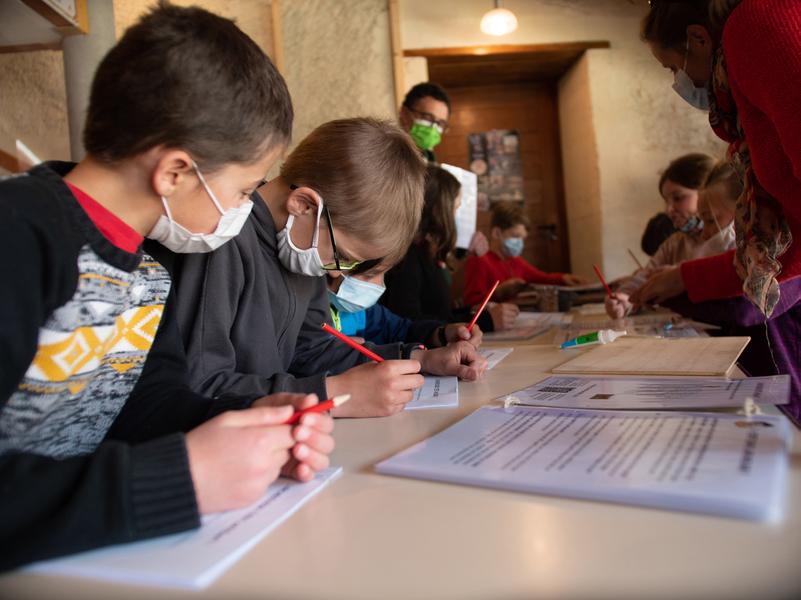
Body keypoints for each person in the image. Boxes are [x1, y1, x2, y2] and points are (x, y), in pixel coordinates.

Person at [0, 6, 334, 570]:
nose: (241, 210)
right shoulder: (20, 238)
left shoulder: (149, 264)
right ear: (175, 172)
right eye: (242, 190)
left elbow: (145, 403)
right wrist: (182, 479)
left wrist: (244, 421)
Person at [157, 118, 487, 420]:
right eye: (343, 256)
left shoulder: (301, 249)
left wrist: (418, 358)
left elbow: (313, 348)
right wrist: (330, 395)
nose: (336, 271)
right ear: (304, 205)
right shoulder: (220, 241)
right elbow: (202, 385)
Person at [637, 0, 801, 426]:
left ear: (698, 38)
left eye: (672, 68)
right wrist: (680, 278)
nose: (680, 81)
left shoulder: (756, 24)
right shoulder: (740, 115)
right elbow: (775, 256)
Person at [382, 165, 519, 331]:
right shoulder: (409, 257)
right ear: (439, 211)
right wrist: (484, 321)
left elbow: (440, 313)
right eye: (456, 208)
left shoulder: (429, 253)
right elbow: (408, 323)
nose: (458, 217)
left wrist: (475, 312)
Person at [607, 160, 739, 318]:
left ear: (703, 191)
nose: (668, 210)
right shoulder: (675, 242)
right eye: (665, 201)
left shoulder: (732, 240)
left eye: (678, 198)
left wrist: (680, 276)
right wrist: (626, 298)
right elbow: (647, 275)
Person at [463, 201, 587, 306]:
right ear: (496, 233)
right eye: (515, 236)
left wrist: (564, 278)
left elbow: (542, 278)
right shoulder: (479, 260)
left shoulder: (515, 261)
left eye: (523, 239)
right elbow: (470, 303)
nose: (520, 243)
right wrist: (498, 293)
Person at [327, 270, 483, 348]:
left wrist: (442, 334)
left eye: (383, 273)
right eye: (371, 273)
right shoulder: (310, 311)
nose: (379, 285)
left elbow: (403, 330)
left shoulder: (363, 312)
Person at [398, 82, 451, 163]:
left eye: (440, 123)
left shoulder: (430, 158)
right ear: (404, 113)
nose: (434, 128)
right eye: (427, 118)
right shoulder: (383, 151)